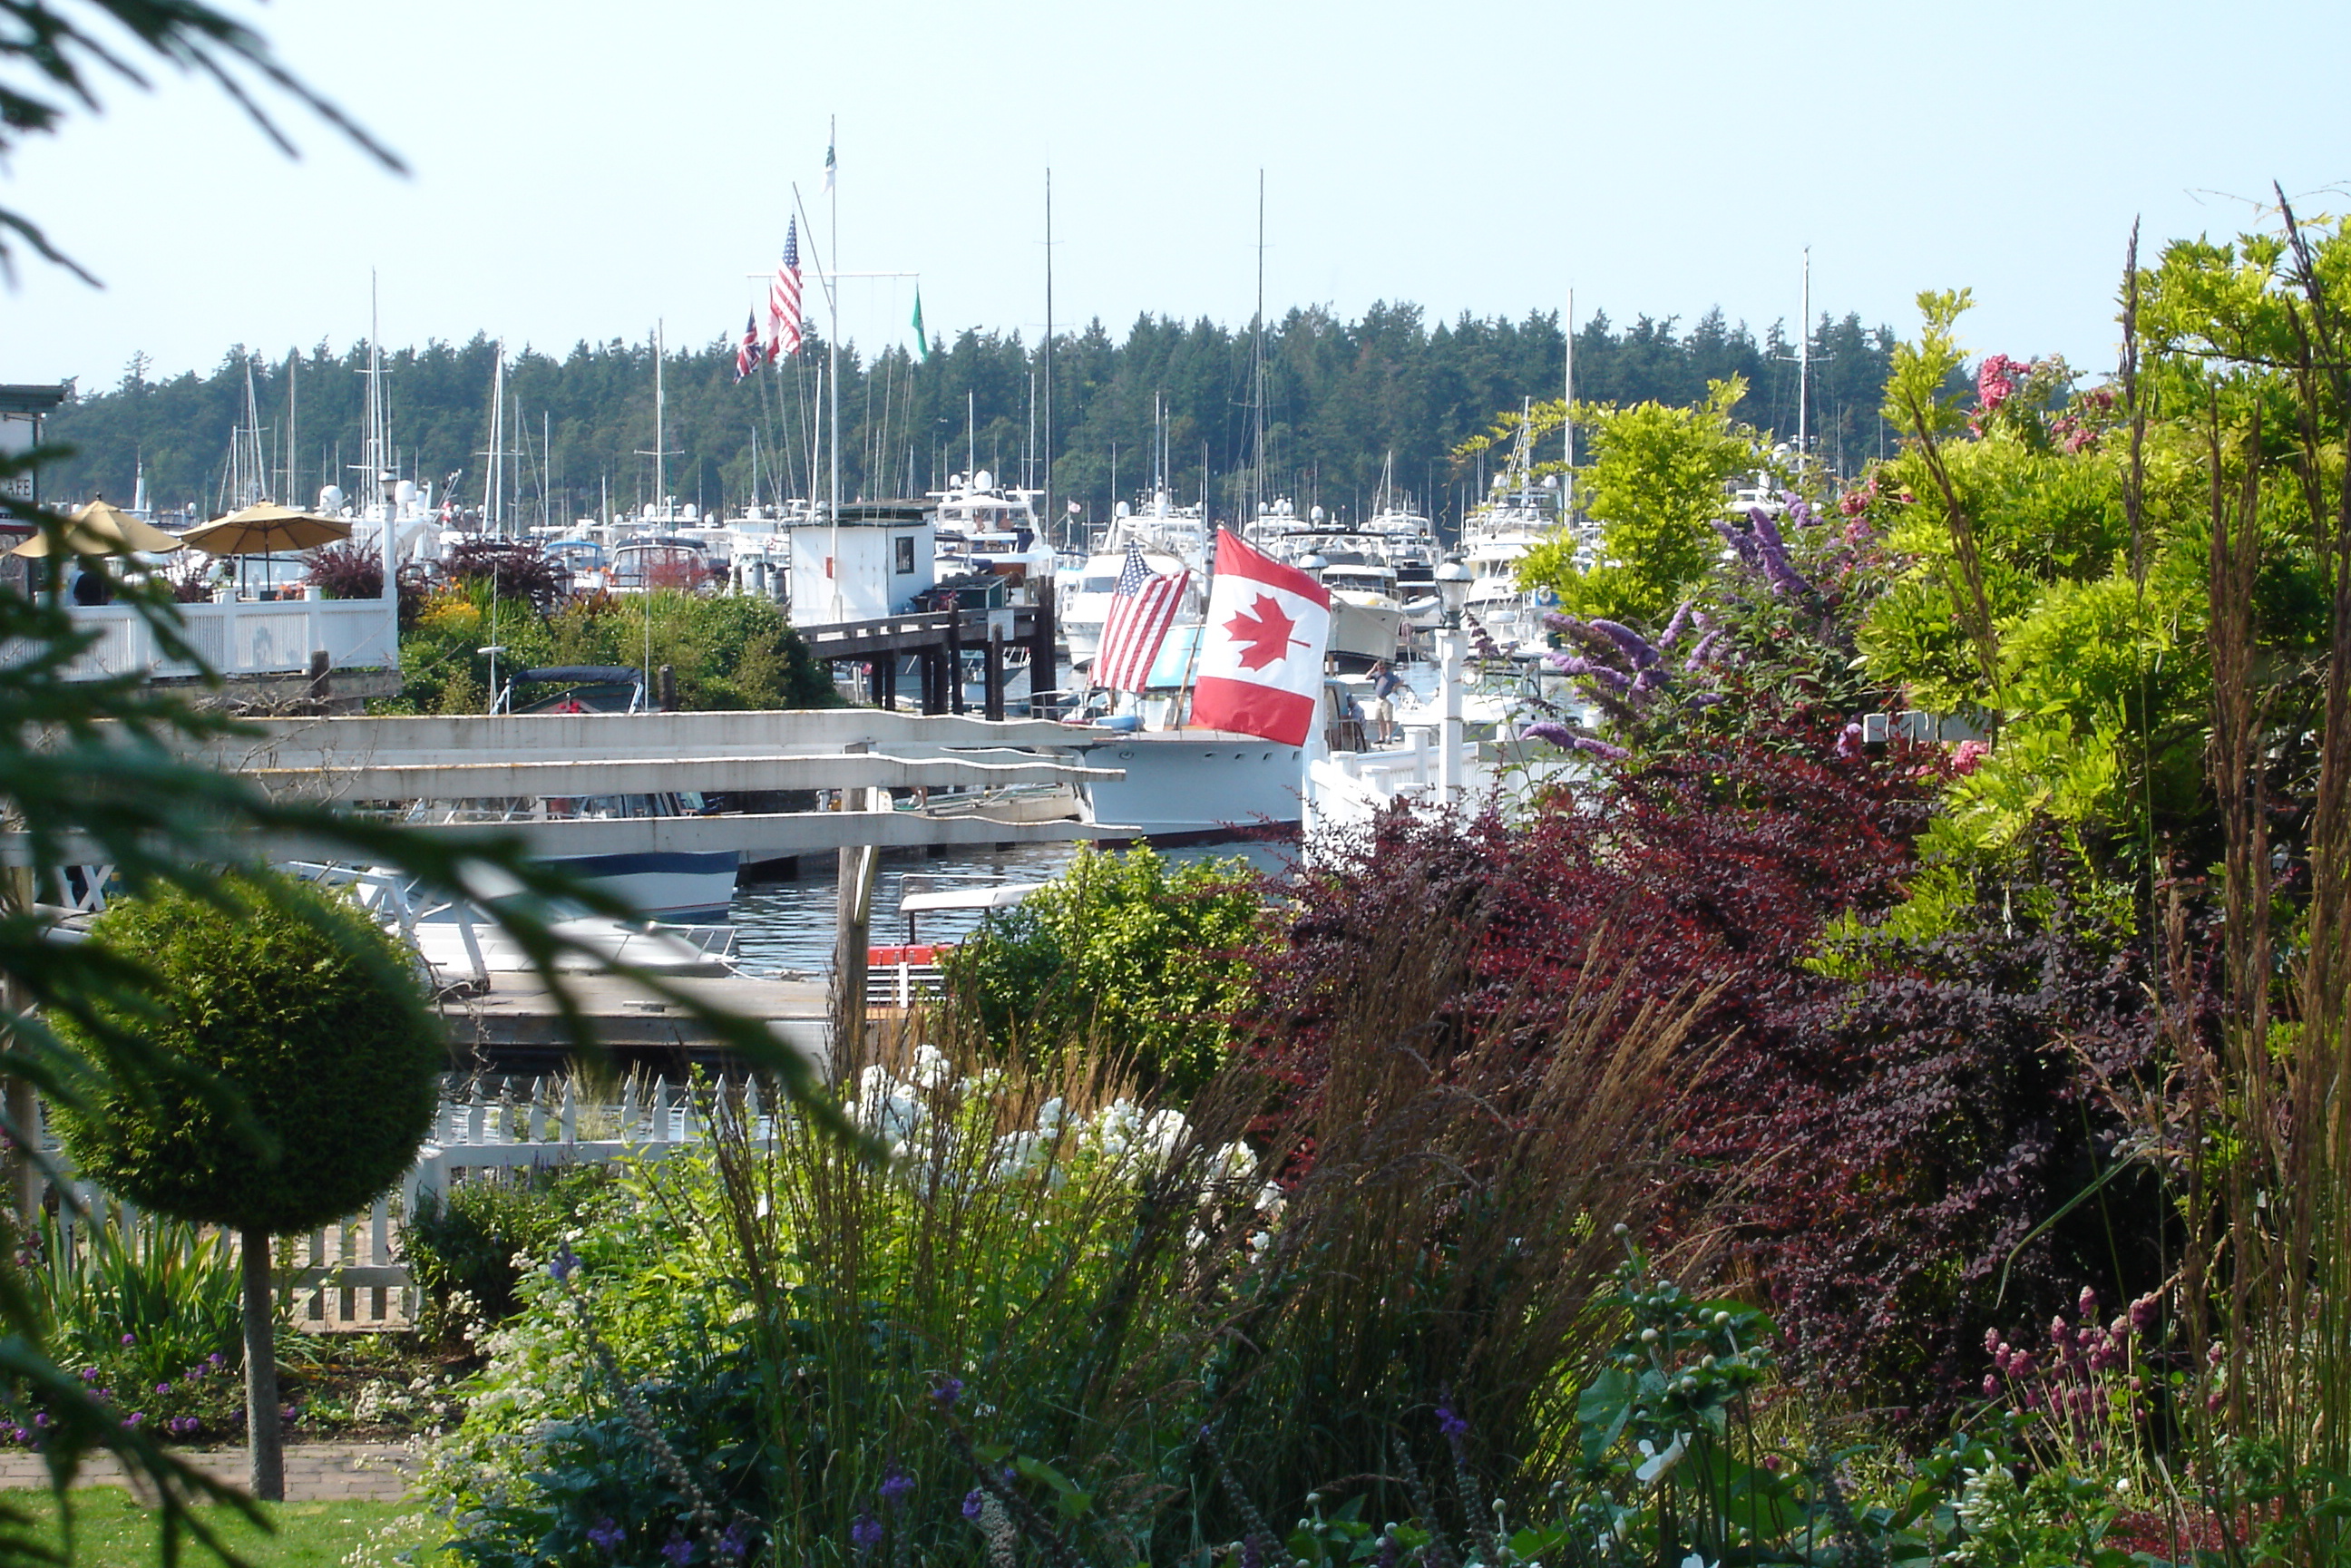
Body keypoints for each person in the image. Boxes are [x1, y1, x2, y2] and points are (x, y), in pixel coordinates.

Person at [1369, 659, 1403, 745]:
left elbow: (1400, 682)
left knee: (1388, 720)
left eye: (1383, 668)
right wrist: (1373, 669)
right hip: (1379, 699)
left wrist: (1394, 688)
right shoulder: (1377, 675)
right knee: (1380, 719)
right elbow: (1367, 677)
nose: (1381, 670)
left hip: (1387, 699)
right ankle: (1382, 737)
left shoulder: (1390, 676)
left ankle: (1389, 738)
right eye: (1379, 668)